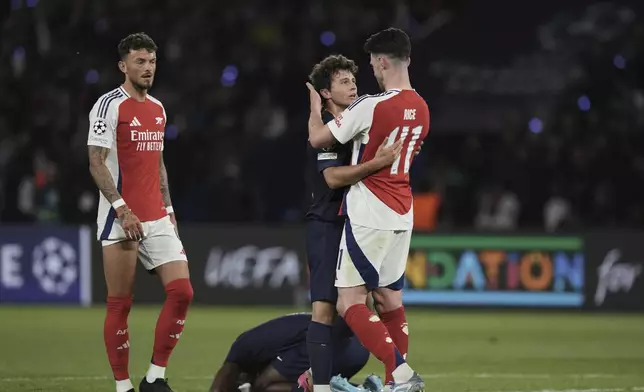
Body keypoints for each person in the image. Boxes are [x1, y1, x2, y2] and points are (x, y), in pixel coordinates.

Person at [306, 27, 430, 392]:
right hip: (403, 211)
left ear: (380, 61)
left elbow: (318, 139)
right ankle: (395, 385)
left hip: (370, 212)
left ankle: (403, 374)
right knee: (390, 299)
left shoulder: (371, 106)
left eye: (371, 65)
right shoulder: (422, 108)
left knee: (349, 301)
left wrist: (316, 110)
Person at [87, 32, 193, 392]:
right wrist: (121, 209)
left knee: (182, 292)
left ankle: (155, 378)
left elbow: (158, 164)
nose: (148, 69)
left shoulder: (159, 109)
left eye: (151, 62)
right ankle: (122, 385)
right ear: (123, 65)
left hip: (156, 214)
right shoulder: (108, 106)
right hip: (120, 217)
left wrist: (169, 208)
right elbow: (96, 162)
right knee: (121, 302)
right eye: (140, 62)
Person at [209, 313, 378, 392]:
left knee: (264, 387)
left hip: (334, 342)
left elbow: (217, 389)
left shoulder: (243, 351)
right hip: (356, 345)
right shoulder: (249, 349)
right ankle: (359, 389)